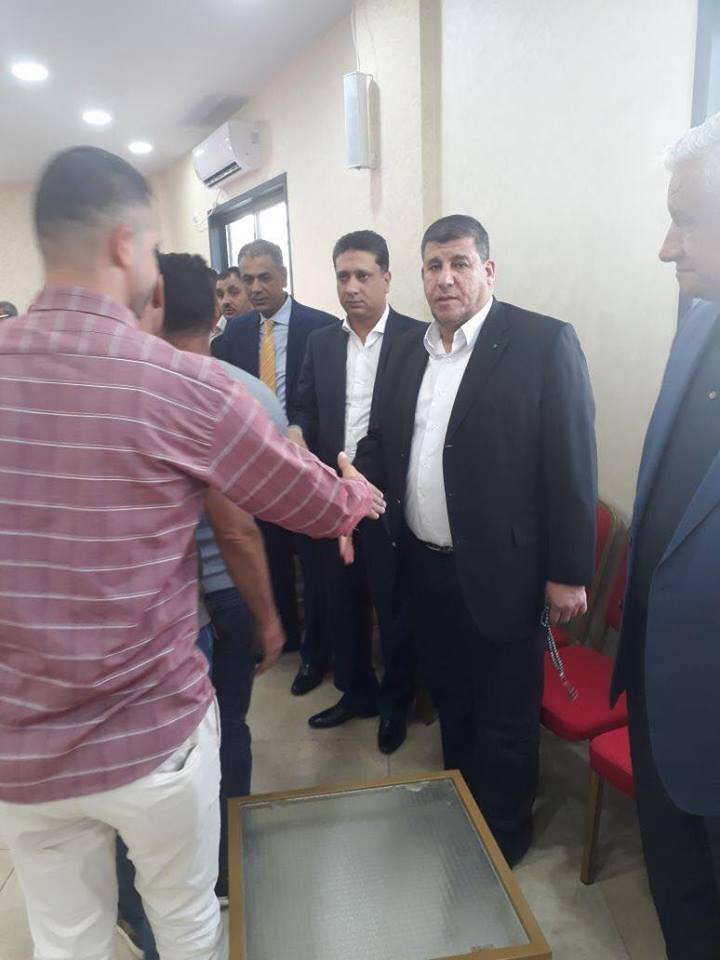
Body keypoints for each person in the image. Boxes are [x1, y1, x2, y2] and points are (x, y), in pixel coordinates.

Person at [0, 145, 383, 960]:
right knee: (186, 921)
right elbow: (303, 501)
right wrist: (356, 495)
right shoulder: (180, 384)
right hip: (150, 737)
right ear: (123, 245)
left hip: (21, 746)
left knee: (63, 938)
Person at [355, 214, 597, 866]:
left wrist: (569, 571)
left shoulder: (542, 343)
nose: (445, 279)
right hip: (424, 567)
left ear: (487, 270)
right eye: (434, 266)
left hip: (504, 574)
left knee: (505, 718)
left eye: (460, 263)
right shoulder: (408, 351)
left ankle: (503, 839)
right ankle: (462, 813)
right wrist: (349, 485)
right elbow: (384, 442)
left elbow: (572, 463)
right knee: (454, 703)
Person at [610, 111, 720, 960]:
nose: (664, 248)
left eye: (686, 219)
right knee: (678, 894)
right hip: (657, 677)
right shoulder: (696, 325)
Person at [292, 230, 422, 753]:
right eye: (343, 276)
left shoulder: (416, 340)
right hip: (332, 495)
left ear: (386, 278)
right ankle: (357, 693)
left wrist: (363, 476)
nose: (351, 287)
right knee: (340, 600)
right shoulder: (322, 341)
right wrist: (296, 435)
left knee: (394, 608)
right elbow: (304, 405)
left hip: (389, 499)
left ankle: (395, 705)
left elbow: (414, 421)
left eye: (363, 275)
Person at [212, 239, 338, 677]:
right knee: (272, 558)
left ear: (283, 276)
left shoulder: (321, 327)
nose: (255, 288)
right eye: (248, 279)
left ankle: (317, 655)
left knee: (314, 565)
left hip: (304, 464)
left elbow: (325, 400)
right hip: (256, 467)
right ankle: (288, 639)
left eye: (265, 277)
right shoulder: (236, 333)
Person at [214, 266, 251, 336]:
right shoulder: (215, 335)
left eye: (234, 292)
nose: (225, 301)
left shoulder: (266, 330)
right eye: (220, 295)